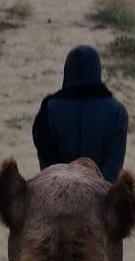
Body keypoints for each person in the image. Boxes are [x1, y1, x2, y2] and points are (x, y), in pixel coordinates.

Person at [32, 44, 128, 182]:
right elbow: (113, 168)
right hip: (99, 198)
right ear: (97, 70)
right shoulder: (117, 111)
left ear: (67, 70)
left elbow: (47, 162)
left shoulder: (49, 108)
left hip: (56, 192)